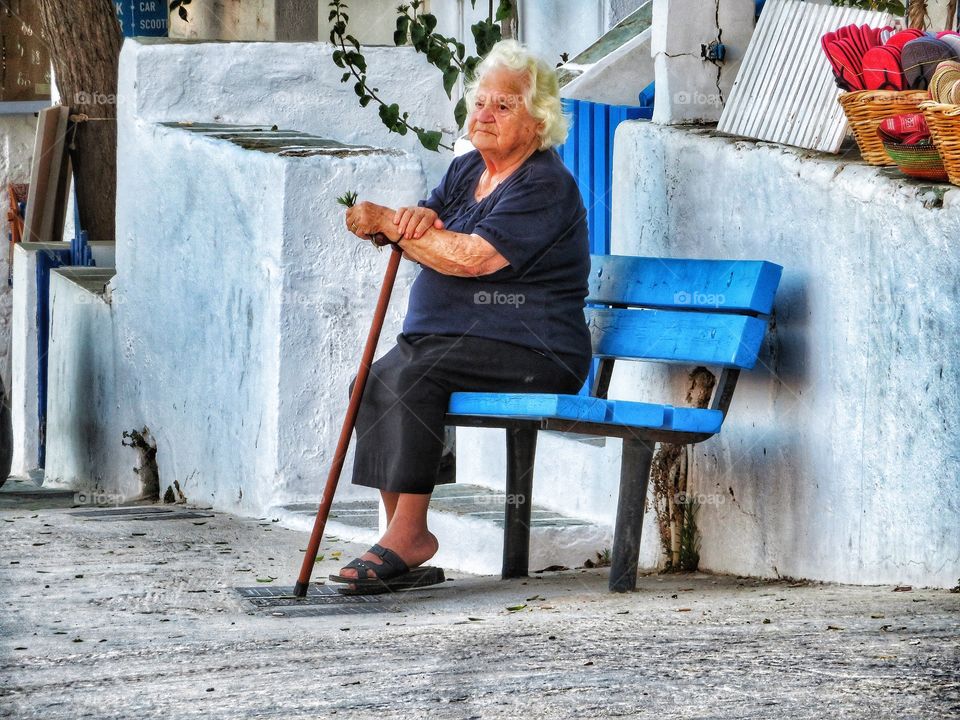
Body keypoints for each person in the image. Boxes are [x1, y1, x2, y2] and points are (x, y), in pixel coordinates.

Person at [333, 39, 591, 592]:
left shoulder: (545, 185)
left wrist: (392, 226)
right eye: (481, 102)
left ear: (538, 120)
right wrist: (412, 219)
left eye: (505, 105)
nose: (485, 114)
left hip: (536, 351)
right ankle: (400, 533)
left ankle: (409, 536)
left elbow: (473, 258)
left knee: (416, 374)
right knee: (375, 377)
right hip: (453, 342)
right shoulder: (468, 168)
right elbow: (431, 219)